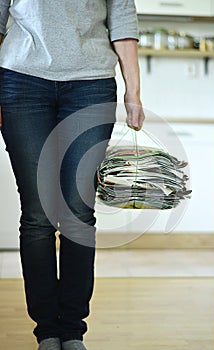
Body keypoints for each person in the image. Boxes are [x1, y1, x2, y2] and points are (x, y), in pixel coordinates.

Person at [0, 1, 145, 350]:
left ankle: (73, 330)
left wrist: (134, 92)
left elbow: (123, 21)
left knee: (78, 212)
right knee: (38, 215)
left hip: (90, 86)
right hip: (22, 83)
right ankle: (47, 330)